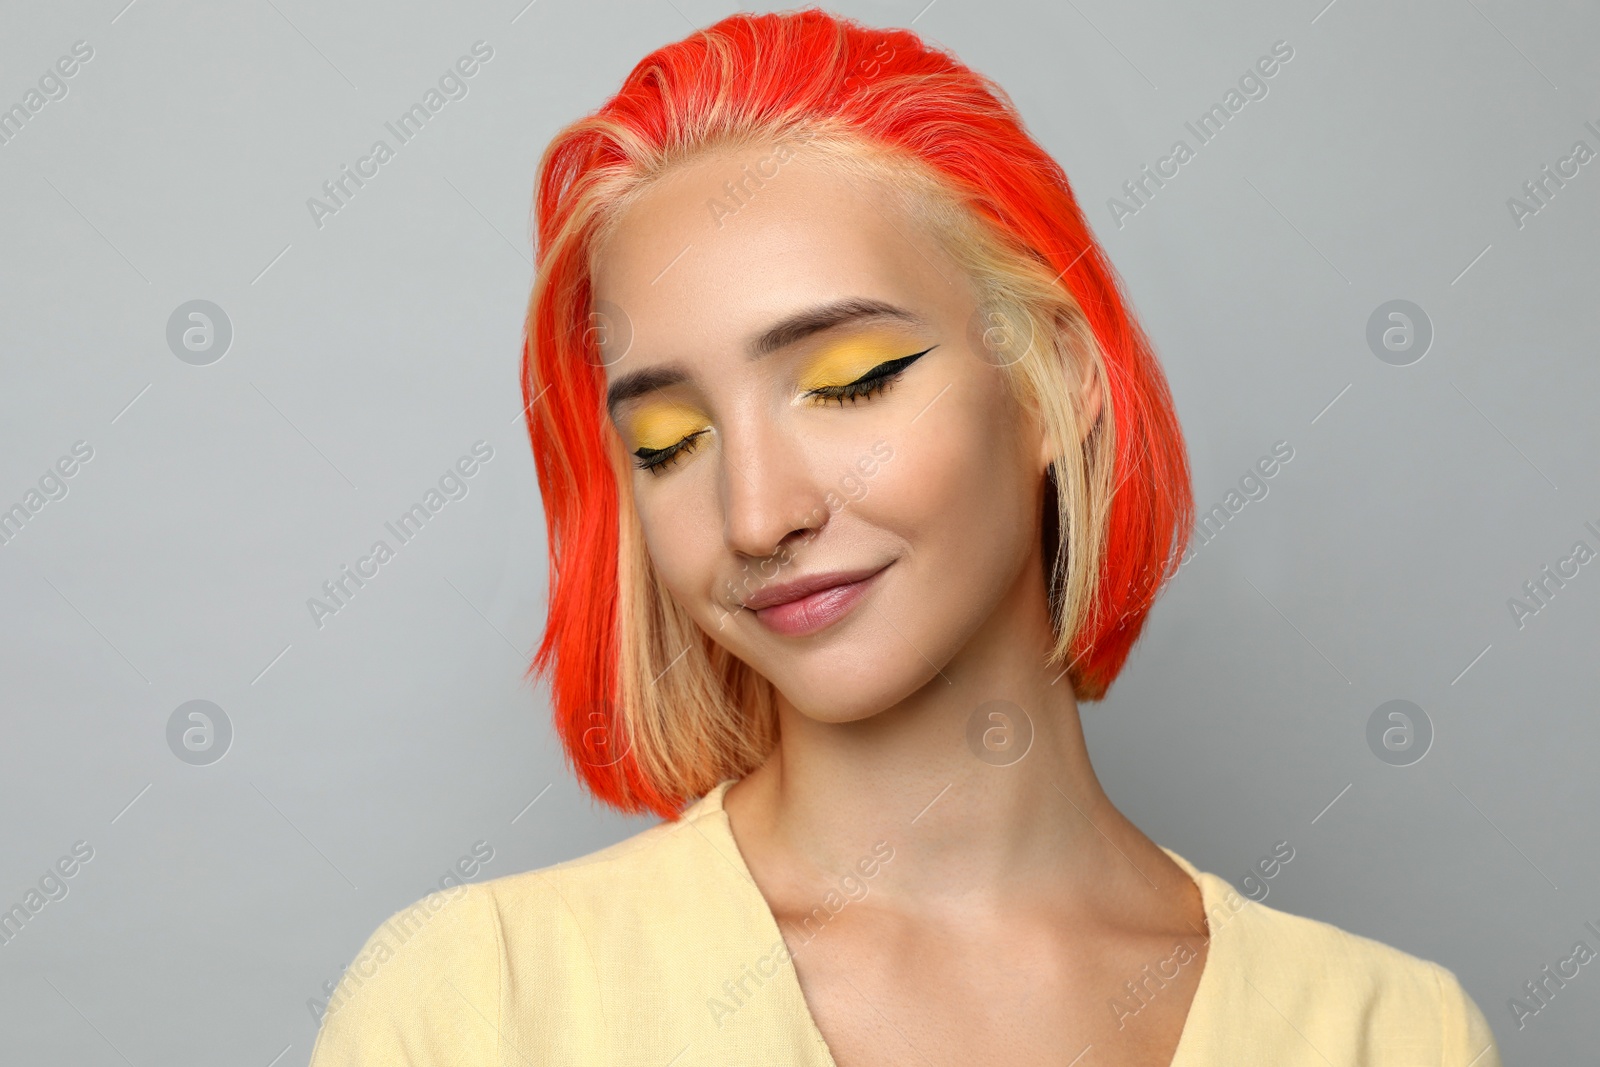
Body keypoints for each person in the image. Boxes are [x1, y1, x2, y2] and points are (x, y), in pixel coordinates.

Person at [307, 9, 1500, 1064]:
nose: (758, 514)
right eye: (670, 441)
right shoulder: (473, 1009)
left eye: (850, 380)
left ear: (1051, 378)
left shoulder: (1390, 1034)